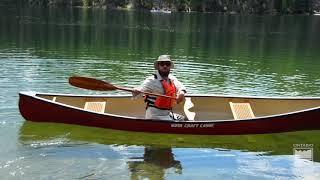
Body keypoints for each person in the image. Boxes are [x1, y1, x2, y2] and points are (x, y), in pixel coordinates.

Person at [133, 55, 186, 121]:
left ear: (170, 66)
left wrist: (181, 92)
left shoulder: (172, 78)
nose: (165, 66)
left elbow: (180, 86)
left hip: (167, 114)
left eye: (167, 64)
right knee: (179, 124)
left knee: (183, 118)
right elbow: (141, 89)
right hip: (155, 116)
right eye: (162, 64)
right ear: (158, 66)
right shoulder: (151, 80)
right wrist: (137, 90)